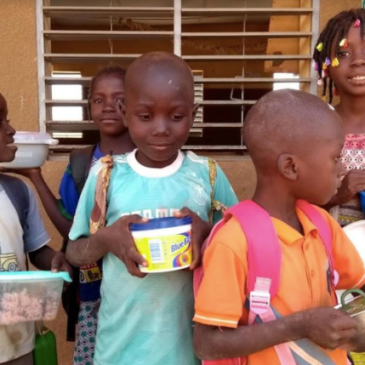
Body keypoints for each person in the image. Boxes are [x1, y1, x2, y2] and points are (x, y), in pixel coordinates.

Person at [66, 51, 238, 365]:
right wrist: (106, 240)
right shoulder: (106, 175)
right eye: (145, 116)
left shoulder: (208, 176)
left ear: (193, 113)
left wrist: (210, 234)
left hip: (191, 352)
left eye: (176, 116)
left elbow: (244, 247)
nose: (161, 129)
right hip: (120, 351)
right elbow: (74, 252)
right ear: (125, 111)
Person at [193, 89, 365, 365]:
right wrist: (299, 326)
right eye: (335, 158)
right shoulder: (235, 242)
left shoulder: (322, 225)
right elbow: (207, 343)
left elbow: (358, 286)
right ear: (290, 167)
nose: (343, 168)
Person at [2, 66, 134, 365]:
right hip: (92, 289)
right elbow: (70, 228)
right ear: (89, 108)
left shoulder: (151, 161)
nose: (109, 107)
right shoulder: (81, 163)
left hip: (140, 287)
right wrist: (35, 176)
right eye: (99, 100)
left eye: (121, 99)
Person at [0, 92, 72, 365]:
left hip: (18, 344)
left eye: (8, 119)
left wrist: (54, 259)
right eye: (0, 122)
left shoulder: (17, 192)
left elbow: (36, 250)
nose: (11, 130)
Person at [313, 8, 365, 226]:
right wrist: (339, 196)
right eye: (343, 54)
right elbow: (291, 203)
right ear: (326, 65)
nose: (358, 61)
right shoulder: (315, 128)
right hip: (329, 253)